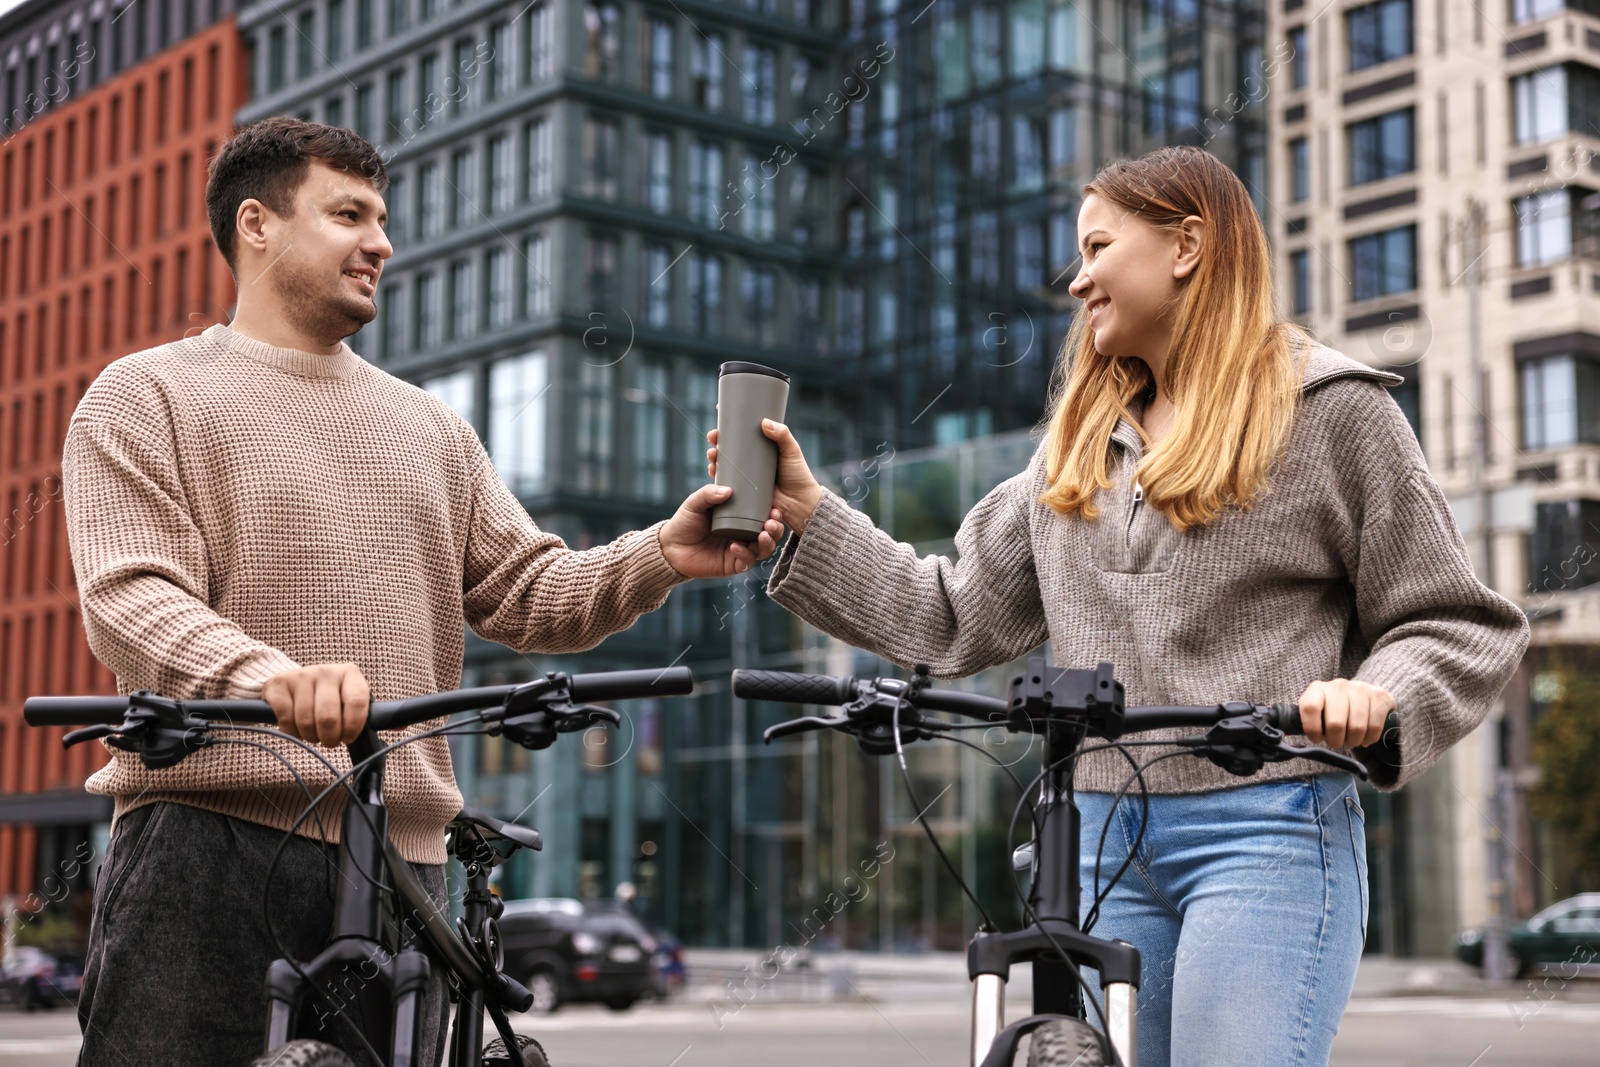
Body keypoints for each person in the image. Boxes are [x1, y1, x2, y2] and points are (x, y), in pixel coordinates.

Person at [708, 146, 1529, 1067]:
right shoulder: (1074, 451)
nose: (1077, 281)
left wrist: (1379, 696)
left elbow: (1457, 620)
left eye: (1098, 247)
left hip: (1265, 828)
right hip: (1092, 839)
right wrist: (812, 512)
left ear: (1186, 244)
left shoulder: (1331, 410)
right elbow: (947, 615)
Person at [64, 117, 782, 1067]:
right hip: (207, 845)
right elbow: (131, 594)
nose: (383, 242)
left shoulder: (430, 429)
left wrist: (663, 553)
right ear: (256, 225)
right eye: (349, 213)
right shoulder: (144, 395)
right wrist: (270, 675)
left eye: (384, 217)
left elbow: (530, 592)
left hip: (405, 860)